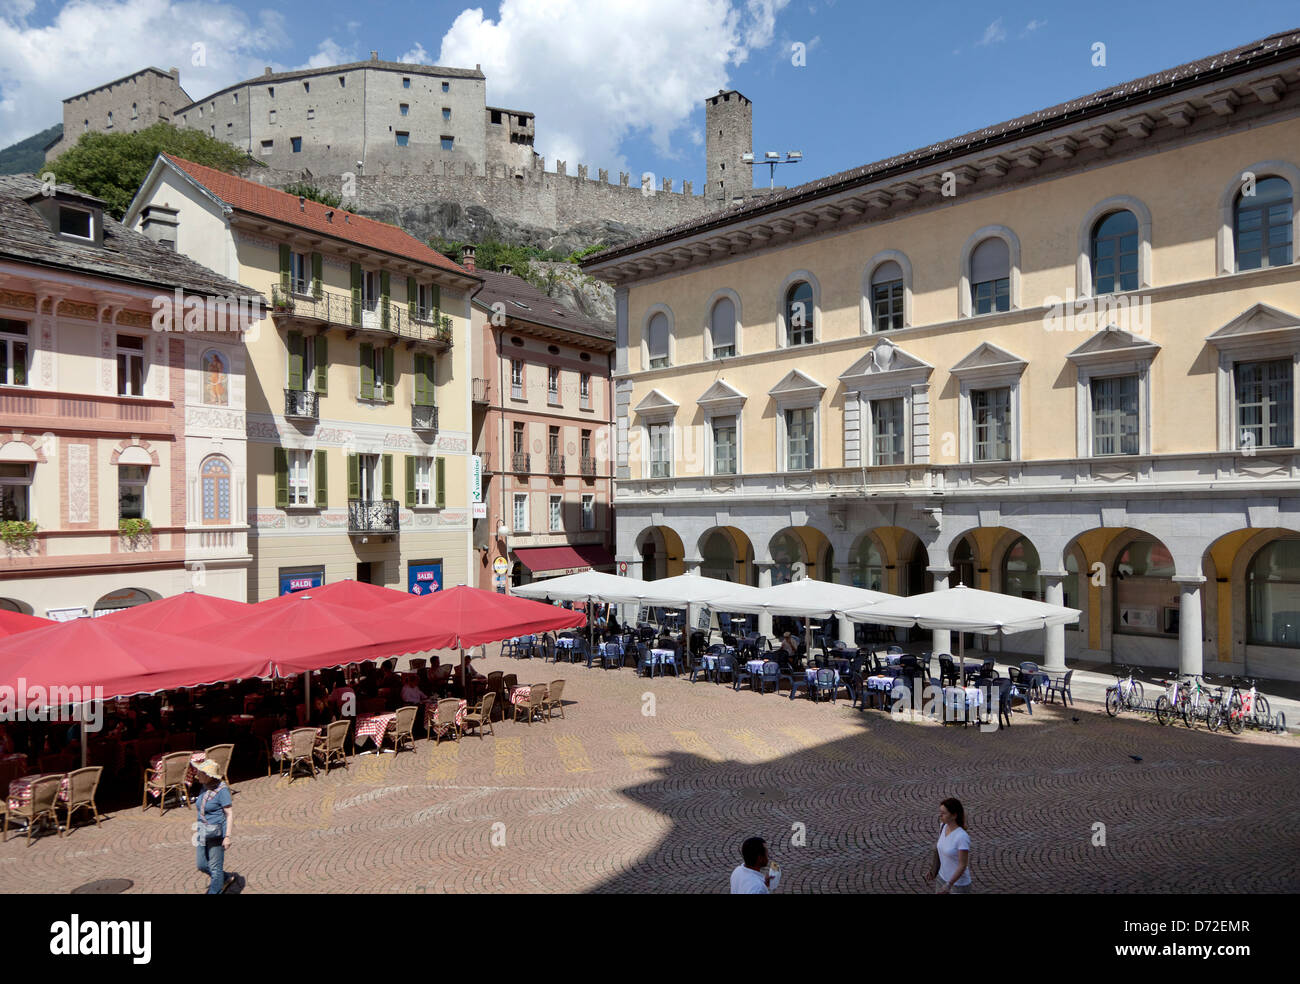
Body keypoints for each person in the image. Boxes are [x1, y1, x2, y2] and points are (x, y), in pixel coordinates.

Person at [193, 759, 235, 894]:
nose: (197, 774)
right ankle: (225, 877)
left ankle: (215, 889)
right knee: (201, 865)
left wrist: (227, 837)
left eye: (200, 772)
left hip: (216, 833)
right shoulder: (204, 786)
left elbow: (229, 814)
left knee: (215, 867)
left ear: (208, 775)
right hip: (201, 831)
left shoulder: (222, 790)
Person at [926, 798, 972, 894]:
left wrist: (949, 884)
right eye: (940, 812)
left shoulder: (962, 837)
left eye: (944, 813)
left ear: (954, 815)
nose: (940, 815)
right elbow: (939, 849)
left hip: (958, 885)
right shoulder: (943, 826)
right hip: (941, 878)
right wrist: (933, 870)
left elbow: (962, 865)